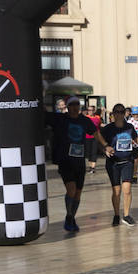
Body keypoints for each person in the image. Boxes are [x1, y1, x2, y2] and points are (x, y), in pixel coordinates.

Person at [50, 96, 97, 233]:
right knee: (71, 189)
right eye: (72, 104)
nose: (75, 107)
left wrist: (105, 145)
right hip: (65, 160)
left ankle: (71, 217)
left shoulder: (84, 120)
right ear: (68, 107)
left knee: (78, 193)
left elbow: (95, 133)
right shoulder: (61, 119)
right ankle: (69, 216)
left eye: (77, 104)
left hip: (79, 161)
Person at [99, 103, 138, 227]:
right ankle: (116, 215)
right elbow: (100, 143)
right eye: (116, 112)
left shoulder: (129, 127)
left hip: (127, 161)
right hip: (113, 163)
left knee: (127, 190)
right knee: (117, 191)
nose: (119, 114)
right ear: (113, 114)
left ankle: (126, 215)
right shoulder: (108, 128)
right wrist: (105, 149)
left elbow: (137, 140)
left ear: (125, 113)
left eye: (121, 112)